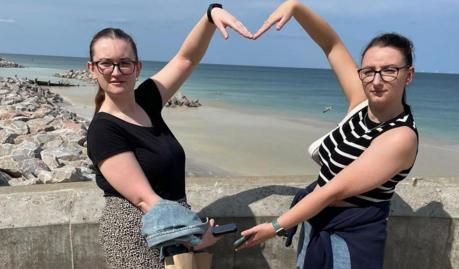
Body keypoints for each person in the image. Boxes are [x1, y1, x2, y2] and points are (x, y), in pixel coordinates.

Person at [238, 1, 418, 268]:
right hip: (316, 222)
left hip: (352, 238)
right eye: (369, 71)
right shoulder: (360, 103)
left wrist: (275, 226)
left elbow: (332, 190)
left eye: (389, 70)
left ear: (408, 75)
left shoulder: (400, 136)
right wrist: (296, 7)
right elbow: (331, 44)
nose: (376, 80)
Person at [86, 4, 253, 268]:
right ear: (92, 69)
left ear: (137, 67)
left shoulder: (147, 100)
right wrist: (195, 234)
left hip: (171, 225)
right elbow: (144, 199)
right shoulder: (103, 131)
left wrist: (210, 15)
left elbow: (186, 59)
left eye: (124, 63)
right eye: (105, 63)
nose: (116, 72)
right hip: (137, 235)